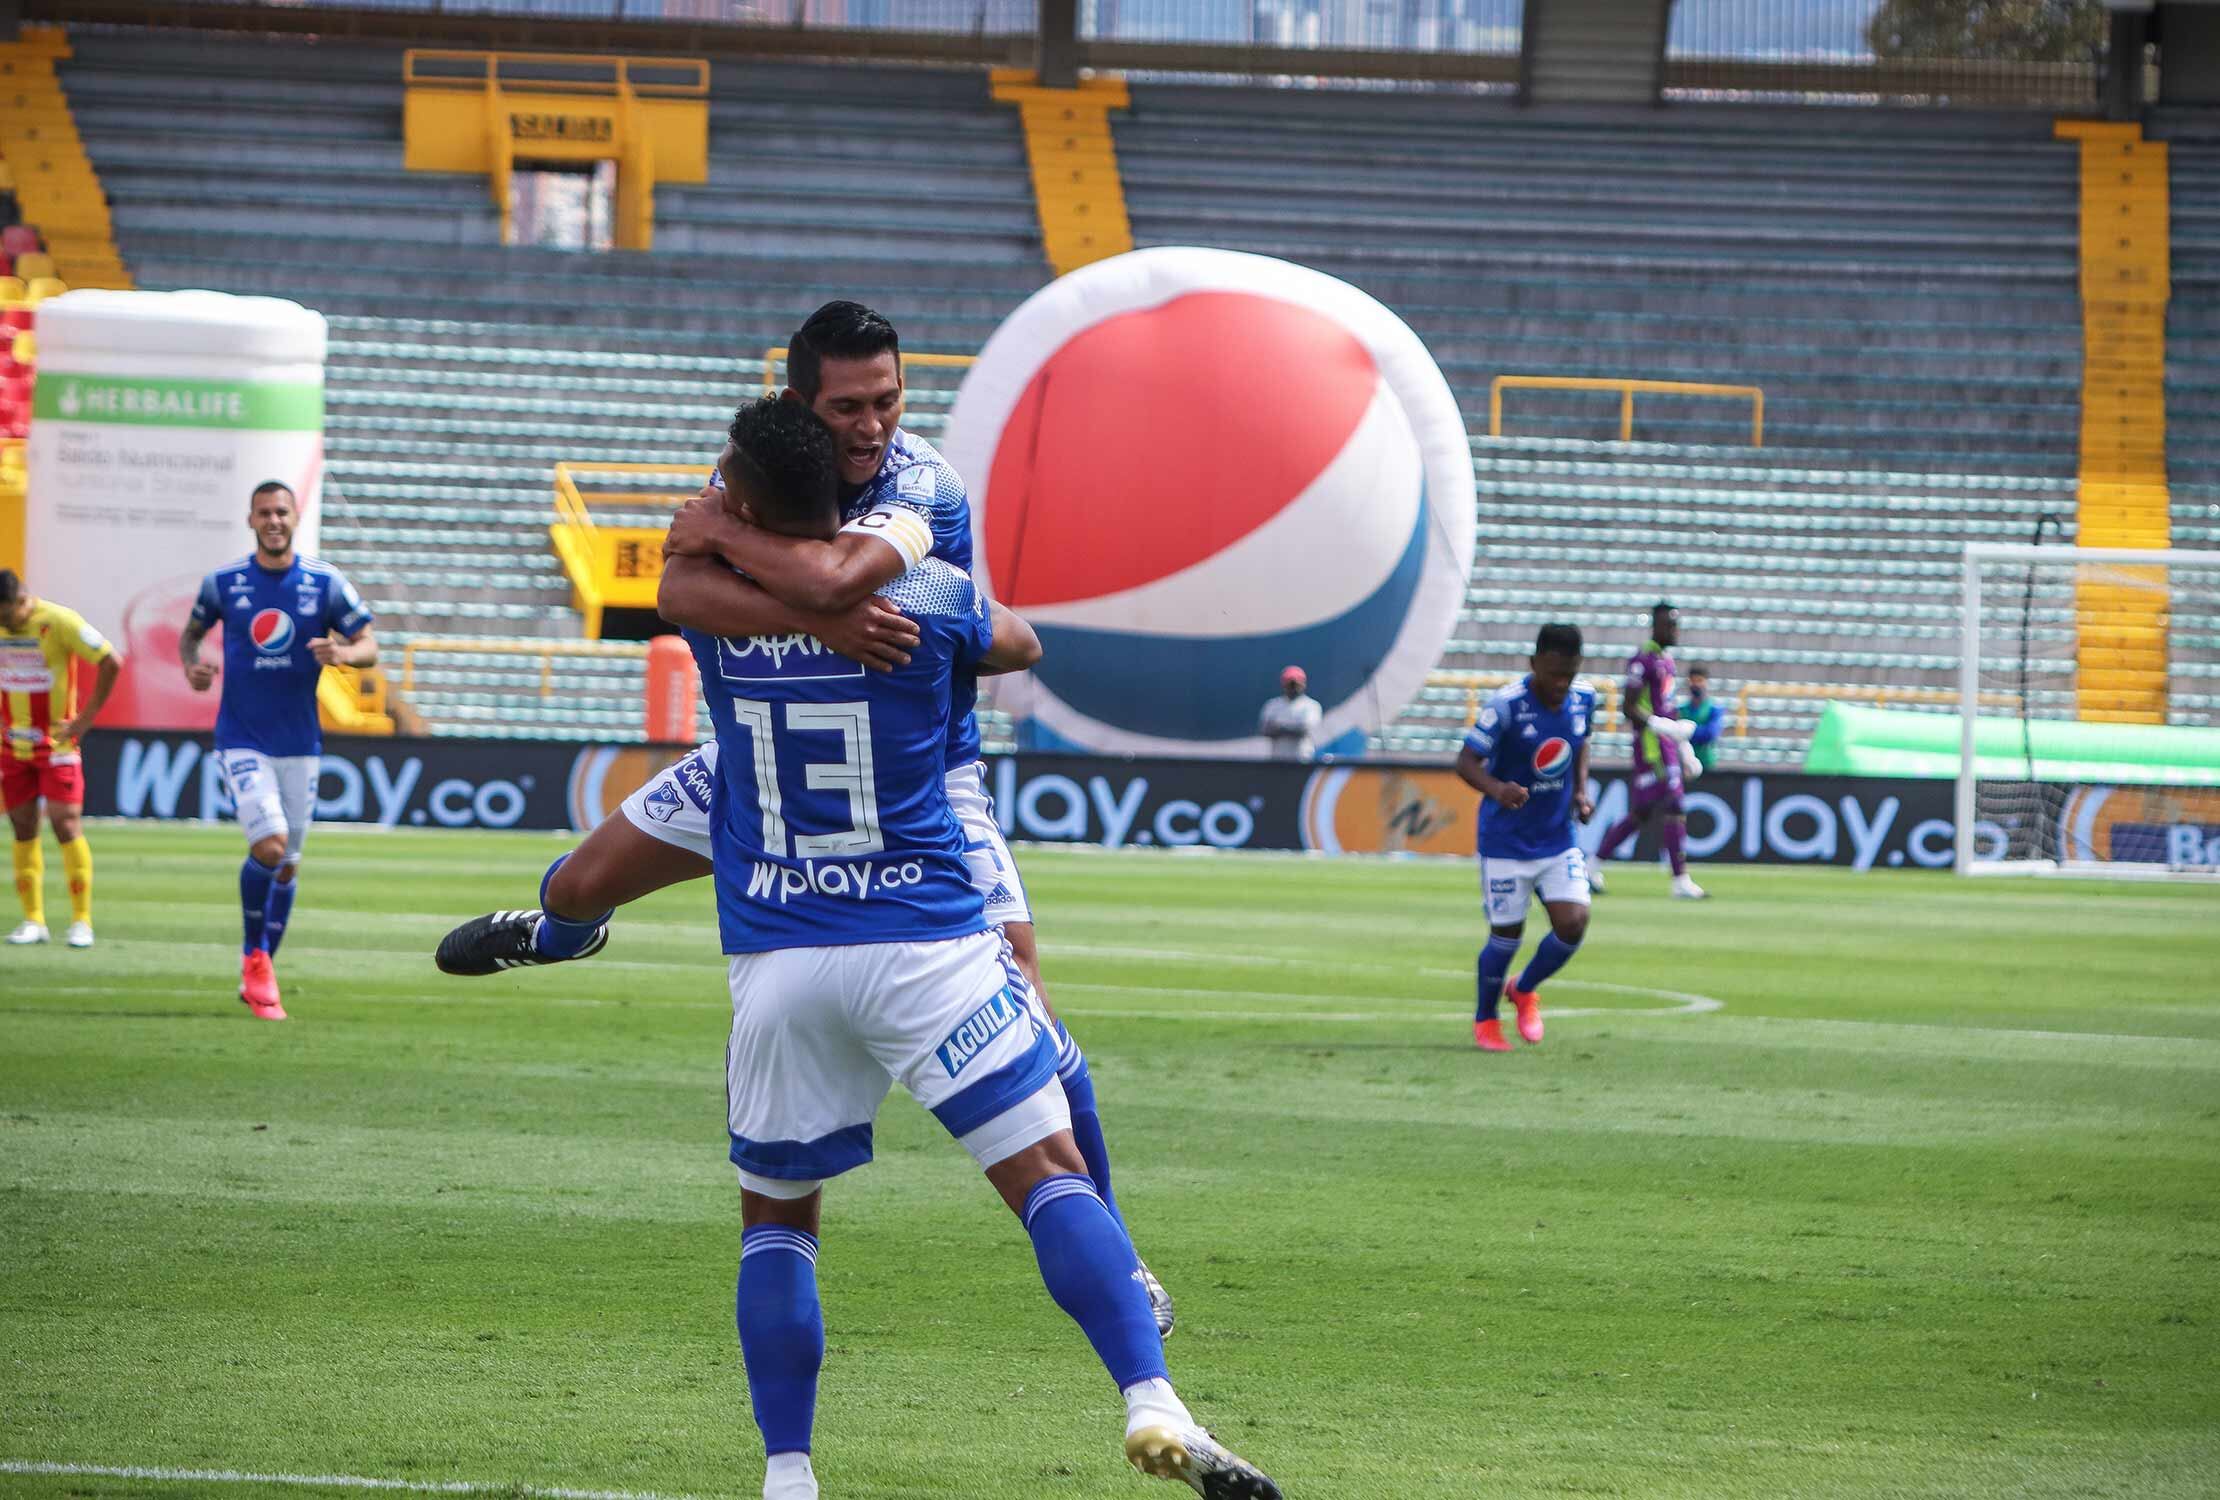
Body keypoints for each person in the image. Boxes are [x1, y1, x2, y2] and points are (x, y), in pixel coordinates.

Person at [435, 302, 1175, 1335]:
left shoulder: (923, 486)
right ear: (798, 403)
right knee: (575, 883)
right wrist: (798, 602)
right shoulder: (754, 468)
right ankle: (559, 934)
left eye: (888, 400)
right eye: (848, 406)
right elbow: (681, 590)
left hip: (924, 784)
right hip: (757, 762)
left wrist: (744, 548)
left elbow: (831, 574)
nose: (872, 425)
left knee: (1030, 1004)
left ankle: (1122, 1257)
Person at [682, 399, 1280, 1500]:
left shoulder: (712, 605)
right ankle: (1153, 1399)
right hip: (923, 938)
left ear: (754, 503)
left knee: (778, 1223)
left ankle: (789, 1474)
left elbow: (687, 567)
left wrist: (728, 532)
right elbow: (1017, 643)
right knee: (1050, 1177)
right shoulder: (935, 595)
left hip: (780, 957)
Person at [179, 480, 377, 1019]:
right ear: (251, 520)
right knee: (269, 846)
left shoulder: (324, 582)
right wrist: (192, 664)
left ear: (294, 517)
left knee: (287, 865)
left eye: (281, 512)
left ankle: (262, 965)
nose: (273, 520)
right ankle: (254, 955)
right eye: (264, 512)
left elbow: (370, 646)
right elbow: (191, 634)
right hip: (241, 737)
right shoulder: (224, 584)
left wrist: (342, 651)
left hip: (300, 743)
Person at [1455, 624, 1597, 1052]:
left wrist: (1580, 790)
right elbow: (1465, 762)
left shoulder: (1584, 698)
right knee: (1506, 936)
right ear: (1533, 663)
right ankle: (1485, 1020)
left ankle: (1524, 988)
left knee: (1573, 923)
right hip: (1506, 840)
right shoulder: (1506, 707)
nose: (1560, 685)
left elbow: (1582, 743)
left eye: (1568, 675)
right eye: (1553, 674)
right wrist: (1498, 789)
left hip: (1557, 836)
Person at [1, 568, 121, 948]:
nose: (3, 623)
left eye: (5, 615)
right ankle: (33, 920)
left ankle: (81, 920)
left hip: (57, 747)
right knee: (22, 828)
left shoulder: (60, 621)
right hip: (12, 749)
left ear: (22, 600)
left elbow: (109, 660)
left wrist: (85, 719)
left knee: (66, 825)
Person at [1587, 602, 1706, 901]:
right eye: (1669, 625)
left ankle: (1590, 865)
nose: (1674, 630)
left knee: (1640, 813)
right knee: (1675, 806)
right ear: (1655, 626)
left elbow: (1669, 709)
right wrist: (1661, 727)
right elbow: (1629, 707)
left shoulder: (1667, 661)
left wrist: (1685, 748)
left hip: (1666, 746)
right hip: (1651, 748)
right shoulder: (1643, 661)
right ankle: (1680, 880)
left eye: (1676, 625)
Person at [1257, 665, 1322, 761]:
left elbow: (1304, 729)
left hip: (1302, 759)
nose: (1293, 688)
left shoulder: (1311, 706)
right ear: (1283, 685)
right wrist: (1292, 727)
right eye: (1290, 685)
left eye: (1296, 685)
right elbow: (1265, 730)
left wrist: (1280, 727)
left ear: (1303, 684)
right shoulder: (1273, 705)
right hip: (1278, 760)